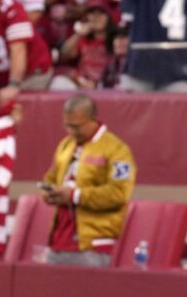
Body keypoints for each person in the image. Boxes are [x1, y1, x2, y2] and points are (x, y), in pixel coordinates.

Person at [40, 93, 136, 267]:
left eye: (76, 126)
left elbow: (118, 194)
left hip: (93, 244)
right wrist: (49, 193)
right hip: (58, 242)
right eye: (66, 125)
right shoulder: (66, 145)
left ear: (93, 119)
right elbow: (51, 177)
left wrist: (74, 195)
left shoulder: (117, 150)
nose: (71, 131)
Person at [52, 0, 119, 90]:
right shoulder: (83, 39)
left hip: (107, 85)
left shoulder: (116, 39)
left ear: (108, 17)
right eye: (92, 13)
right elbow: (65, 54)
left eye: (101, 13)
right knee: (58, 82)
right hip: (82, 84)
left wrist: (97, 84)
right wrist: (78, 34)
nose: (96, 17)